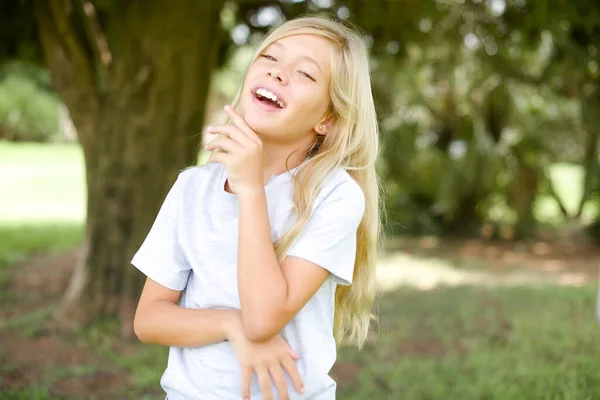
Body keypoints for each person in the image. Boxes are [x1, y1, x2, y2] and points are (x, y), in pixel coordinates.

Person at [131, 14, 381, 400]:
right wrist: (231, 325)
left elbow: (264, 318)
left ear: (327, 119)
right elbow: (148, 319)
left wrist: (251, 190)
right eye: (269, 58)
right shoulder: (193, 189)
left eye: (305, 74)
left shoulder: (334, 196)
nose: (278, 74)